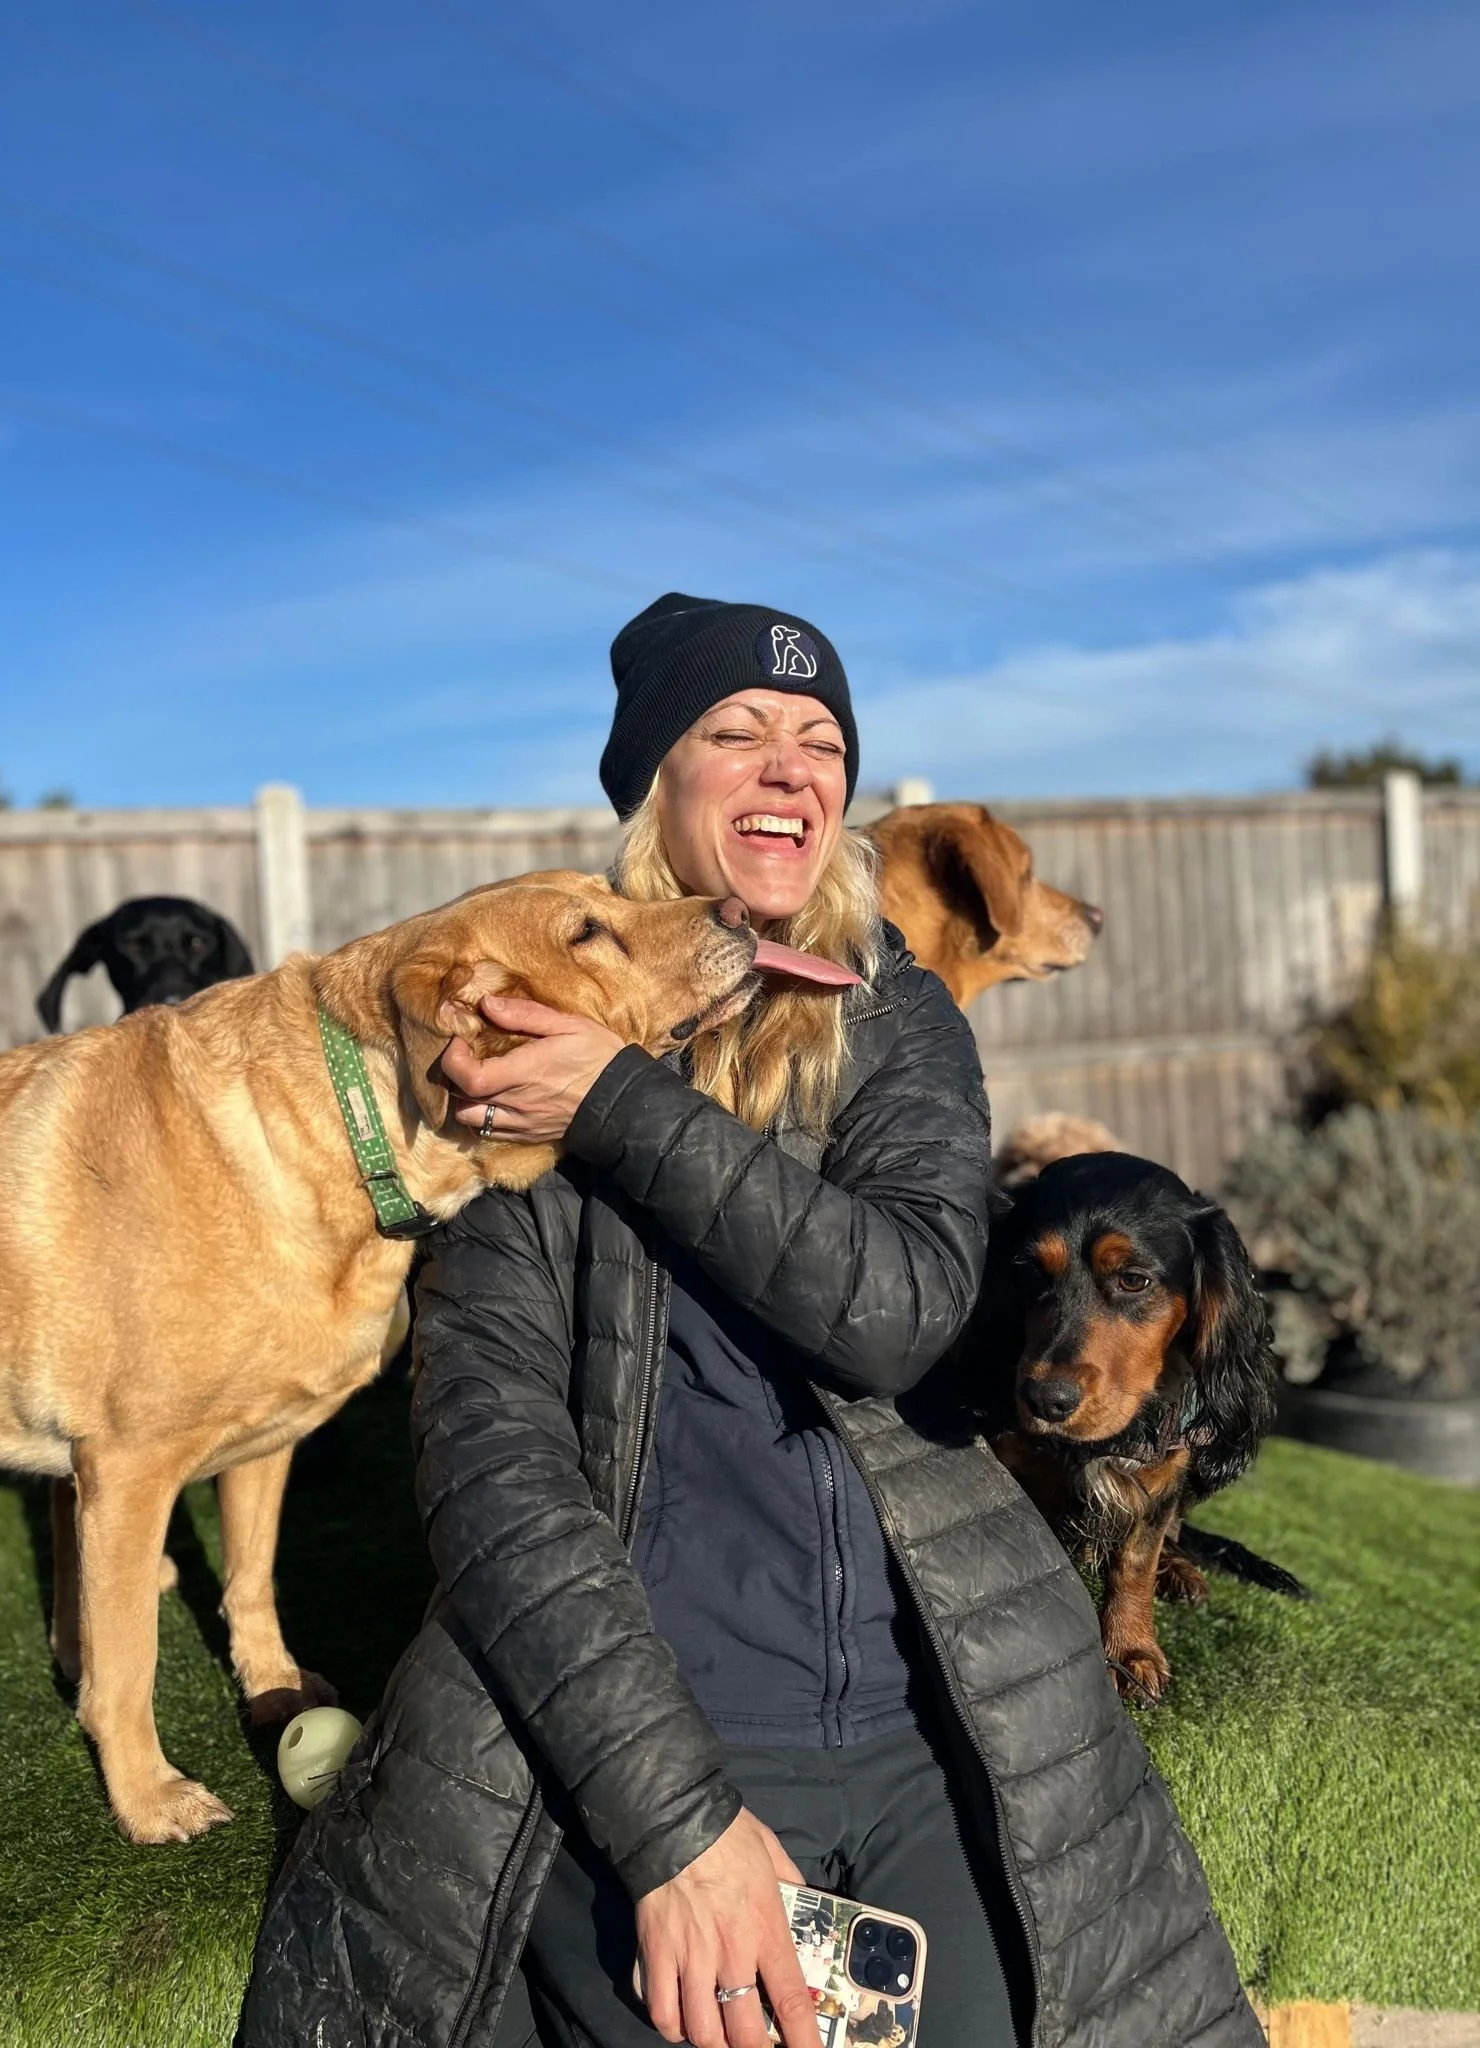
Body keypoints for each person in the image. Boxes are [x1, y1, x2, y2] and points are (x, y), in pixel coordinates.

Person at [242, 595, 1262, 2048]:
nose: (790, 767)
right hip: (648, 1736)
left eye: (821, 741)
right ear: (654, 781)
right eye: (736, 732)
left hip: (918, 1719)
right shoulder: (510, 1042)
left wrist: (617, 1103)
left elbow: (906, 1310)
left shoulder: (894, 1017)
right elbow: (496, 1476)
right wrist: (677, 1835)